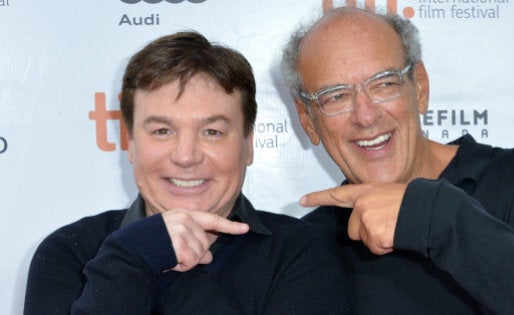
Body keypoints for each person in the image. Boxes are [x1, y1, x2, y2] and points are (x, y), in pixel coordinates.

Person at [280, 6, 514, 314]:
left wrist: (435, 217)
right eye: (336, 96)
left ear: (419, 87)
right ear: (308, 120)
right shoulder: (308, 247)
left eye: (384, 84)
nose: (365, 116)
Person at [25, 31, 346, 314]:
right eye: (162, 131)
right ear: (132, 143)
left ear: (248, 145)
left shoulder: (299, 252)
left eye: (212, 132)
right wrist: (132, 258)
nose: (186, 156)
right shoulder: (71, 252)